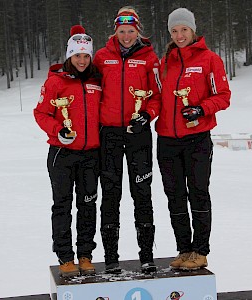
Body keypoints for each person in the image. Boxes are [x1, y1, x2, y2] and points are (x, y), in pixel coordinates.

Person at [156, 8, 231, 270]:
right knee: (174, 195)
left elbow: (223, 96)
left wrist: (201, 108)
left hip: (197, 137)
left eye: (184, 30)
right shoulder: (165, 62)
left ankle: (200, 250)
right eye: (174, 31)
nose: (179, 35)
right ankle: (184, 248)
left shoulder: (209, 59)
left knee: (198, 192)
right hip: (166, 139)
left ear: (193, 30)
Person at [93, 6, 161, 274]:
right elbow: (88, 88)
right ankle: (111, 258)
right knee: (110, 194)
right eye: (121, 31)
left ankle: (146, 256)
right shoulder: (101, 57)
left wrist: (147, 114)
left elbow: (157, 94)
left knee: (142, 193)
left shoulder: (149, 58)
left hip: (138, 133)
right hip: (108, 133)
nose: (126, 36)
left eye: (131, 31)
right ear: (115, 31)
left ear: (138, 31)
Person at [34, 25, 102, 278]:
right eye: (77, 56)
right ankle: (64, 256)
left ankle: (85, 253)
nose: (82, 61)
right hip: (62, 153)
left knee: (87, 205)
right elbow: (40, 113)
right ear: (69, 56)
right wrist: (57, 129)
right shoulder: (55, 82)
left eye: (86, 56)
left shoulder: (97, 80)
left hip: (90, 154)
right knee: (62, 205)